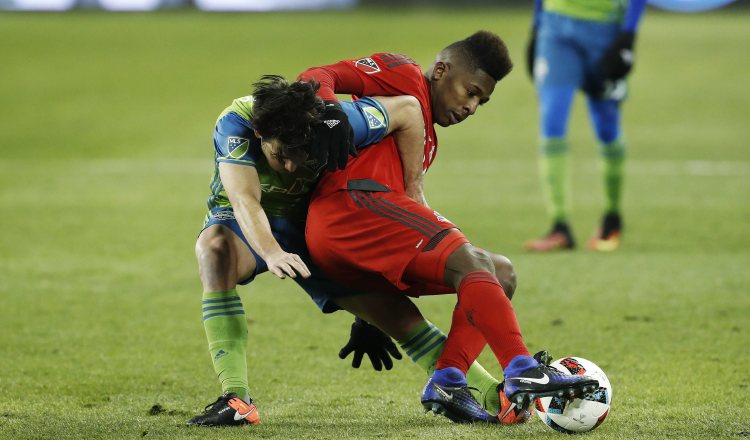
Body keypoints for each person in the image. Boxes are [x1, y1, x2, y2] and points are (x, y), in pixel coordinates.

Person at [187, 75, 529, 427]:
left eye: (301, 158)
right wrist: (272, 253)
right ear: (260, 134)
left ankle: (496, 395)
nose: (290, 168)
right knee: (216, 253)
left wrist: (413, 194)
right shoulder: (237, 123)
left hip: (313, 227)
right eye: (280, 156)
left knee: (397, 320)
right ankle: (236, 399)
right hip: (245, 221)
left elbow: (409, 111)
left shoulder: (339, 121)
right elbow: (245, 200)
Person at [299, 30, 600, 424]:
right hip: (350, 206)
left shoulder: (428, 143)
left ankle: (448, 378)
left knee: (501, 272)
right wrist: (329, 113)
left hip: (360, 238)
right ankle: (523, 370)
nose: (472, 107)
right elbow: (317, 74)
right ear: (441, 70)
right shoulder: (403, 74)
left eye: (482, 101)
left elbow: (393, 232)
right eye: (471, 91)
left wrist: (366, 315)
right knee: (470, 261)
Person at [523, 0, 648, 252]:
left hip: (605, 32)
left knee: (607, 127)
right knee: (552, 121)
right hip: (556, 28)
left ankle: (611, 218)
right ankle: (560, 226)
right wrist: (537, 25)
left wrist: (628, 34)